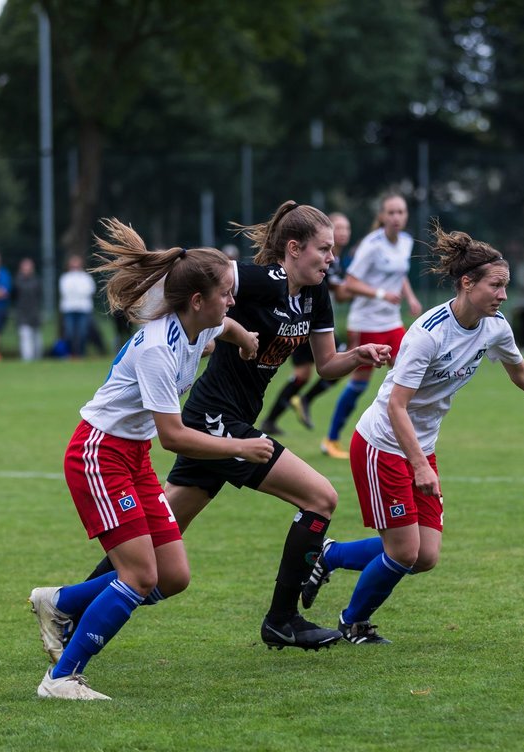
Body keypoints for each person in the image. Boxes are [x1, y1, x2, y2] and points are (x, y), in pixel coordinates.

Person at [77, 201, 391, 652]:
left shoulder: (316, 293)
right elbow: (205, 276)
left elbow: (326, 365)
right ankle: (283, 619)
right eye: (324, 249)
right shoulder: (261, 280)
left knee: (152, 536)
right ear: (293, 248)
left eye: (333, 250)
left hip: (235, 417)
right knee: (321, 497)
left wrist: (359, 355)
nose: (331, 258)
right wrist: (161, 294)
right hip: (216, 417)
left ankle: (71, 610)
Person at [299, 222, 524, 644]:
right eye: (497, 286)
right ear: (467, 283)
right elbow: (397, 405)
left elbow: (521, 372)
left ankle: (330, 555)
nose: (504, 295)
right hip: (383, 444)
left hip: (420, 447)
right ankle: (352, 623)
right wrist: (419, 465)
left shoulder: (495, 325)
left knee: (425, 556)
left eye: (506, 286)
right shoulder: (427, 334)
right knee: (403, 552)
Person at [27, 219, 268, 700]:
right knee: (139, 575)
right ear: (197, 299)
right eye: (225, 292)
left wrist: (244, 340)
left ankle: (59, 601)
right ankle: (61, 679)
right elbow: (174, 437)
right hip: (100, 454)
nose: (231, 300)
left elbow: (226, 326)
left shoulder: (202, 322)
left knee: (172, 577)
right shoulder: (159, 348)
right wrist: (242, 447)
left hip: (131, 457)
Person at [321, 194, 420, 459]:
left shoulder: (407, 242)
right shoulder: (371, 245)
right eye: (391, 212)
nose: (397, 217)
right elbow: (349, 283)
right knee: (360, 383)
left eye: (401, 212)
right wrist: (380, 294)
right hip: (367, 322)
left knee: (407, 376)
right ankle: (331, 438)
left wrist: (410, 297)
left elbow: (400, 275)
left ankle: (404, 438)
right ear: (383, 216)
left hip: (392, 321)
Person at [261, 211, 352, 435]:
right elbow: (340, 293)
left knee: (303, 374)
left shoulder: (334, 262)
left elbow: (339, 294)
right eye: (338, 227)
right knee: (332, 360)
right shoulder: (316, 262)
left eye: (346, 228)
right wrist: (374, 291)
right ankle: (304, 400)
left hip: (312, 319)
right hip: (303, 318)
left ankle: (271, 420)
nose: (342, 232)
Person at [60, 254, 97, 358]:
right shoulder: (65, 278)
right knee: (69, 333)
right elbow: (65, 291)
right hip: (69, 309)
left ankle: (81, 354)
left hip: (83, 309)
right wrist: (79, 291)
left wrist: (76, 291)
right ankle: (71, 354)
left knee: (82, 333)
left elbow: (90, 290)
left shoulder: (86, 277)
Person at [14, 257, 43, 362]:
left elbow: (39, 296)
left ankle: (37, 360)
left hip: (34, 314)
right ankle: (27, 360)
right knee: (25, 338)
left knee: (37, 340)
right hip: (22, 315)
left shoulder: (37, 281)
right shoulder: (17, 281)